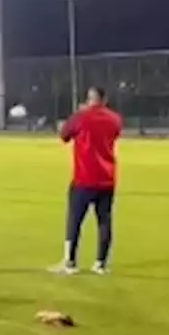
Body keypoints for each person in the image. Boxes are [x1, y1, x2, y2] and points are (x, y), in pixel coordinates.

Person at [50, 85, 122, 275]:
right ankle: (100, 264)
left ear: (90, 97)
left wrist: (78, 115)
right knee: (104, 221)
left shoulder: (81, 116)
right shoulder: (115, 119)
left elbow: (64, 135)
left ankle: (70, 263)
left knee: (74, 220)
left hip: (84, 177)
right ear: (105, 99)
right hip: (107, 178)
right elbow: (114, 134)